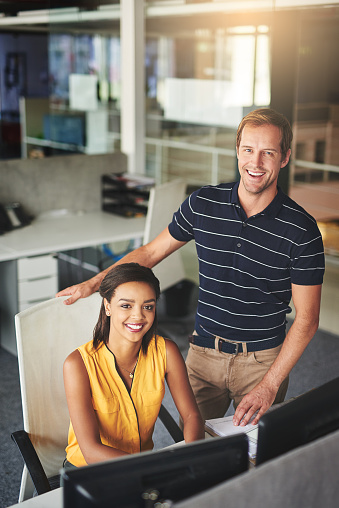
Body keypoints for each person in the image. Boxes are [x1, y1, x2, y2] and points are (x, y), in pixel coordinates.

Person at [58, 108, 325, 428]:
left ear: (284, 158)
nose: (255, 163)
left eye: (268, 153)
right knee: (194, 451)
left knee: (255, 458)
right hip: (202, 353)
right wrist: (93, 283)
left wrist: (269, 385)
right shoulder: (203, 204)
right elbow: (151, 252)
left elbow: (307, 320)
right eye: (248, 150)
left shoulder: (302, 230)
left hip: (262, 361)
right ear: (237, 150)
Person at [63, 262, 204, 468]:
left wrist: (190, 456)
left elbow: (191, 415)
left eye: (148, 306)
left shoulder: (167, 351)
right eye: (126, 305)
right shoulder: (78, 364)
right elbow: (91, 451)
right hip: (89, 470)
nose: (138, 315)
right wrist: (152, 466)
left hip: (143, 466)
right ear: (108, 306)